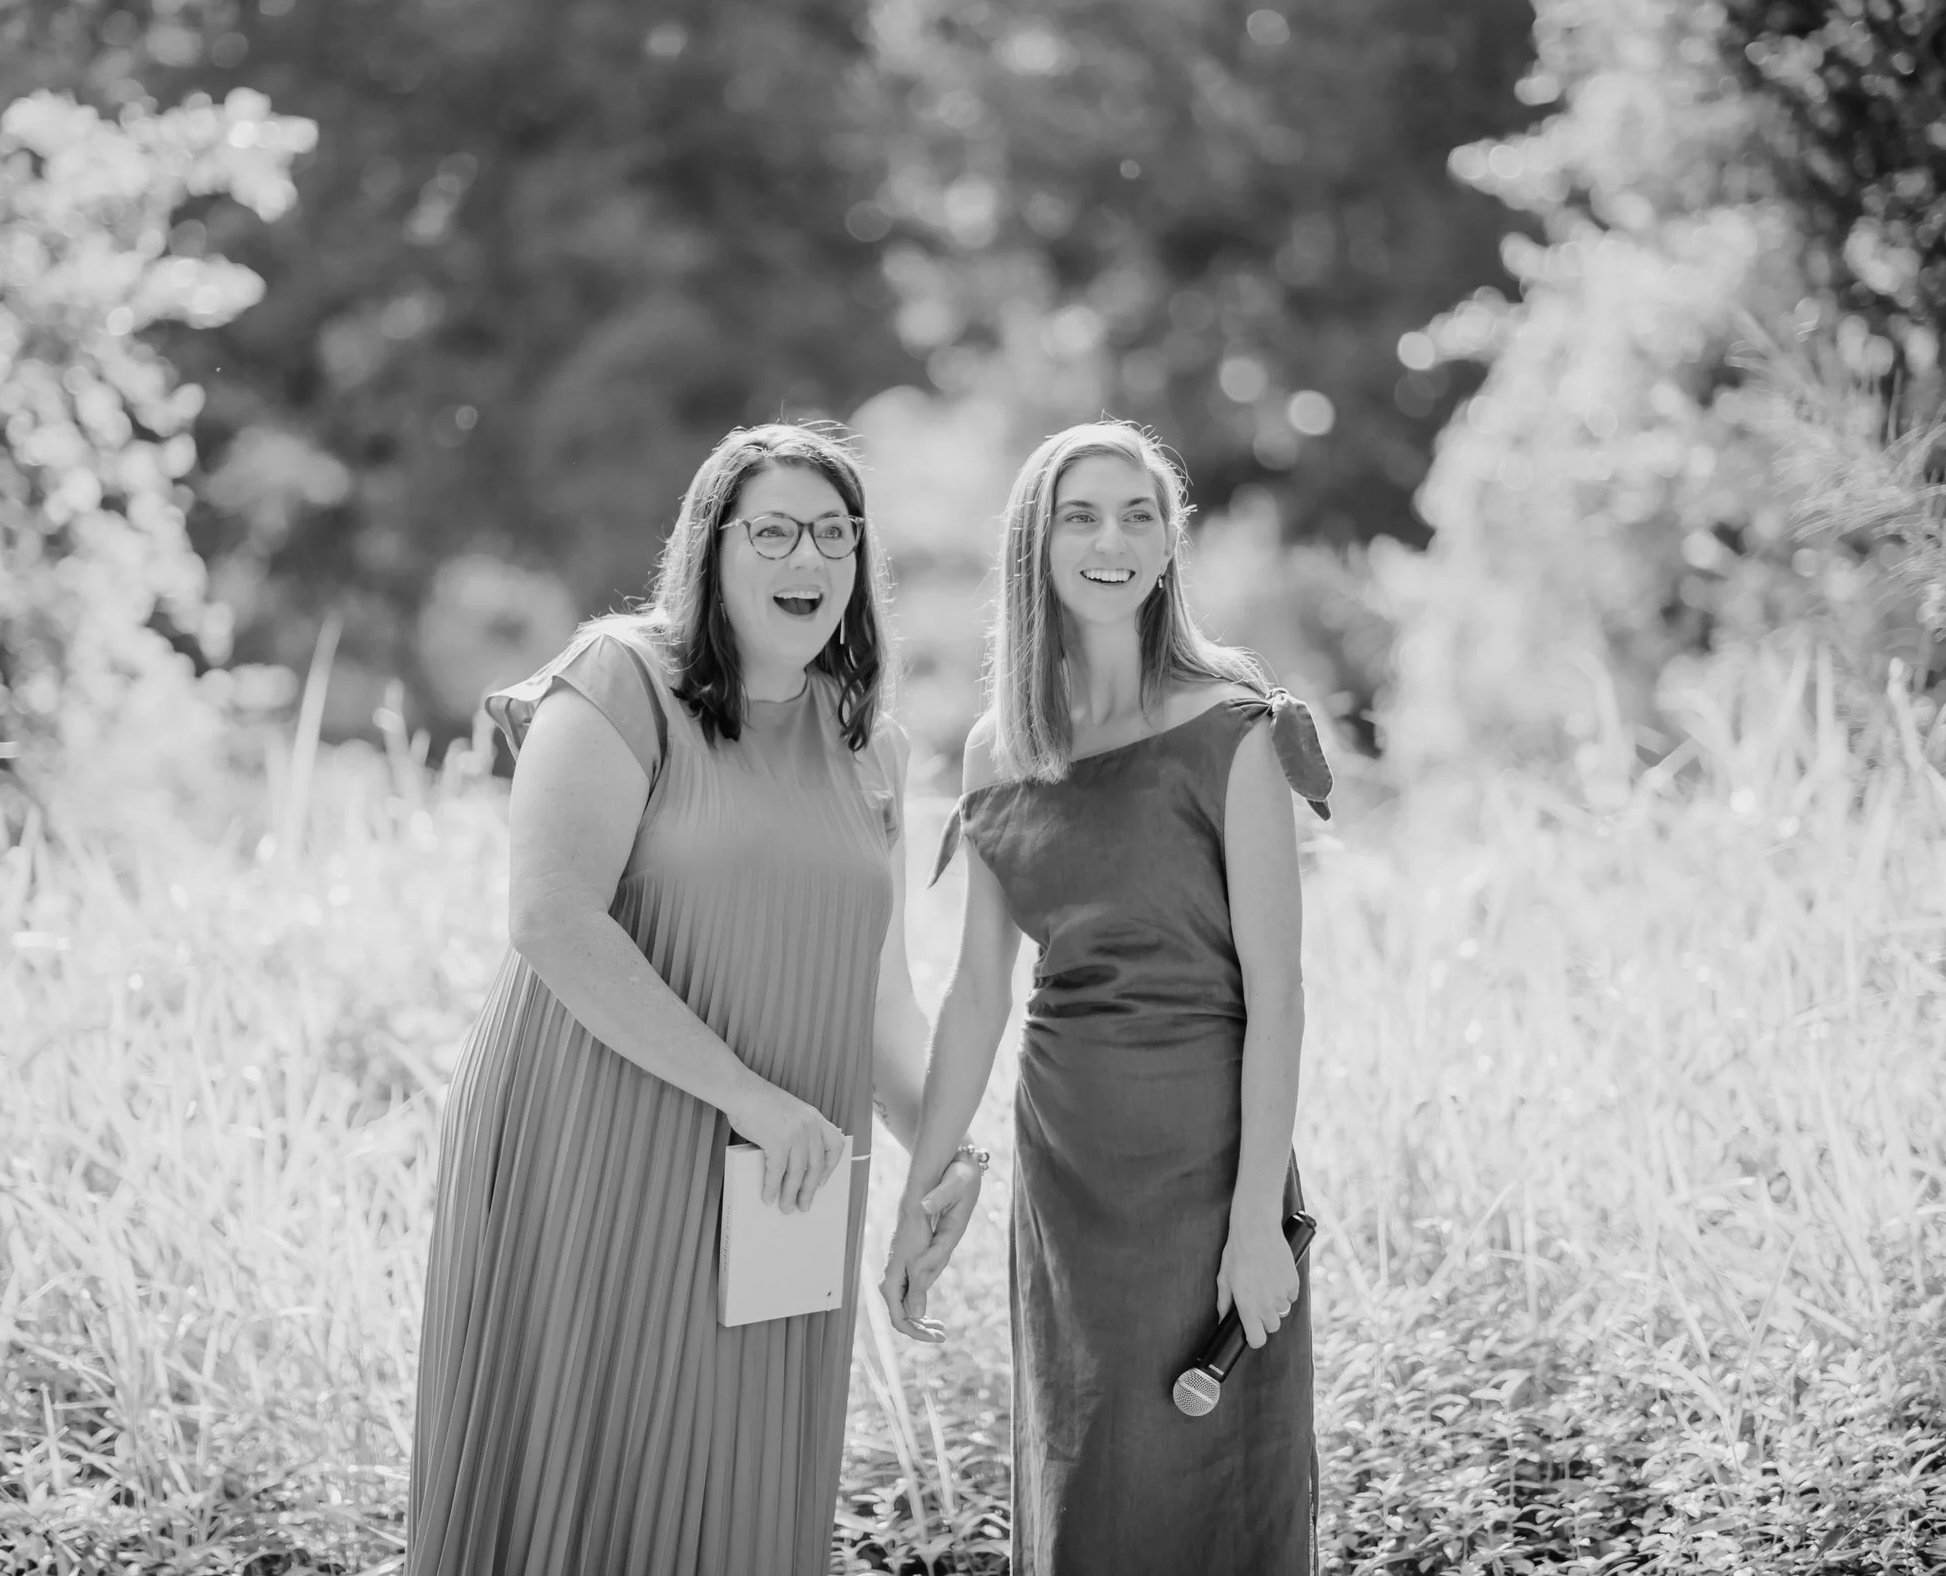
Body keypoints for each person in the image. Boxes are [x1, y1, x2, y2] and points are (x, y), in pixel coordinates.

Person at [409, 423, 986, 1576]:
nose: (805, 557)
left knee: (741, 1496)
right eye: (770, 529)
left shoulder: (872, 744)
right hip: (590, 1150)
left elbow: (883, 1005)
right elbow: (551, 919)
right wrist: (750, 1096)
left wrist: (945, 1160)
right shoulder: (620, 677)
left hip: (782, 1185)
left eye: (833, 533)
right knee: (578, 1490)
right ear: (709, 549)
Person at [880, 420, 1332, 1574]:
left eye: (1137, 514)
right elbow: (979, 993)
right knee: (1086, 1488)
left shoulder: (1234, 728)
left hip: (1207, 1172)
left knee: (1211, 1488)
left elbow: (1276, 997)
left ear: (1170, 544)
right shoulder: (1000, 750)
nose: (1110, 539)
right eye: (1079, 514)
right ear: (1035, 545)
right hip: (1066, 1177)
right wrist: (920, 1196)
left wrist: (1250, 1225)